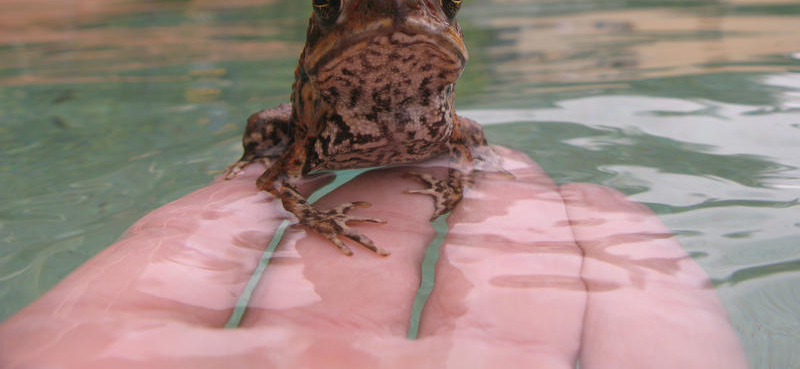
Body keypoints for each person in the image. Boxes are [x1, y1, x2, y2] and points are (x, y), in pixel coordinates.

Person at [0, 147, 748, 368]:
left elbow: (465, 137)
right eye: (334, 7)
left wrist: (459, 173)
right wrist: (310, 208)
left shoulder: (444, 114)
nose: (403, 17)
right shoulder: (313, 112)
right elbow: (276, 164)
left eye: (444, 1)